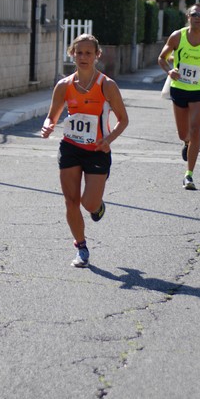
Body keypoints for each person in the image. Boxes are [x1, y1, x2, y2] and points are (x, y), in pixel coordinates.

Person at [41, 34, 129, 268]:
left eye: (88, 53)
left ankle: (97, 206)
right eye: (79, 53)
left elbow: (123, 120)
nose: (83, 57)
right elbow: (53, 115)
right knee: (71, 201)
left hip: (97, 150)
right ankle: (81, 247)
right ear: (72, 54)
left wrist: (108, 139)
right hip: (70, 147)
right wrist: (48, 125)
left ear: (97, 56)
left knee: (88, 204)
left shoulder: (107, 85)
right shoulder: (64, 86)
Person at [158, 3, 200, 190]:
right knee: (183, 133)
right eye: (194, 14)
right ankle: (186, 142)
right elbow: (162, 58)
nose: (198, 17)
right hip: (179, 88)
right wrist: (170, 71)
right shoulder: (177, 36)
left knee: (196, 129)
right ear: (188, 16)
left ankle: (189, 175)